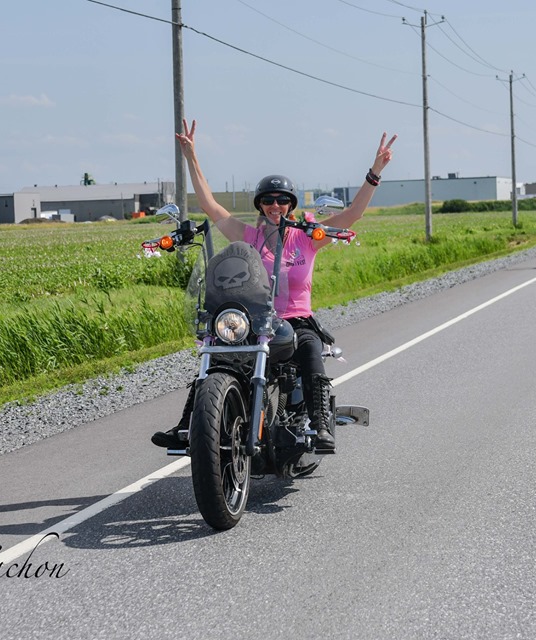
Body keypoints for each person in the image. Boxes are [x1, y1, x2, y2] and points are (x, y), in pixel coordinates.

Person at [151, 119, 397, 453]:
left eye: (282, 201)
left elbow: (353, 214)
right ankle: (189, 426)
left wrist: (375, 171)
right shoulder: (250, 236)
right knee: (220, 355)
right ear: (261, 205)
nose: (275, 206)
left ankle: (320, 424)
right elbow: (211, 207)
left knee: (310, 349)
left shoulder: (306, 237)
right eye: (269, 200)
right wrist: (191, 156)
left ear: (291, 205)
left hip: (295, 320)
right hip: (256, 320)